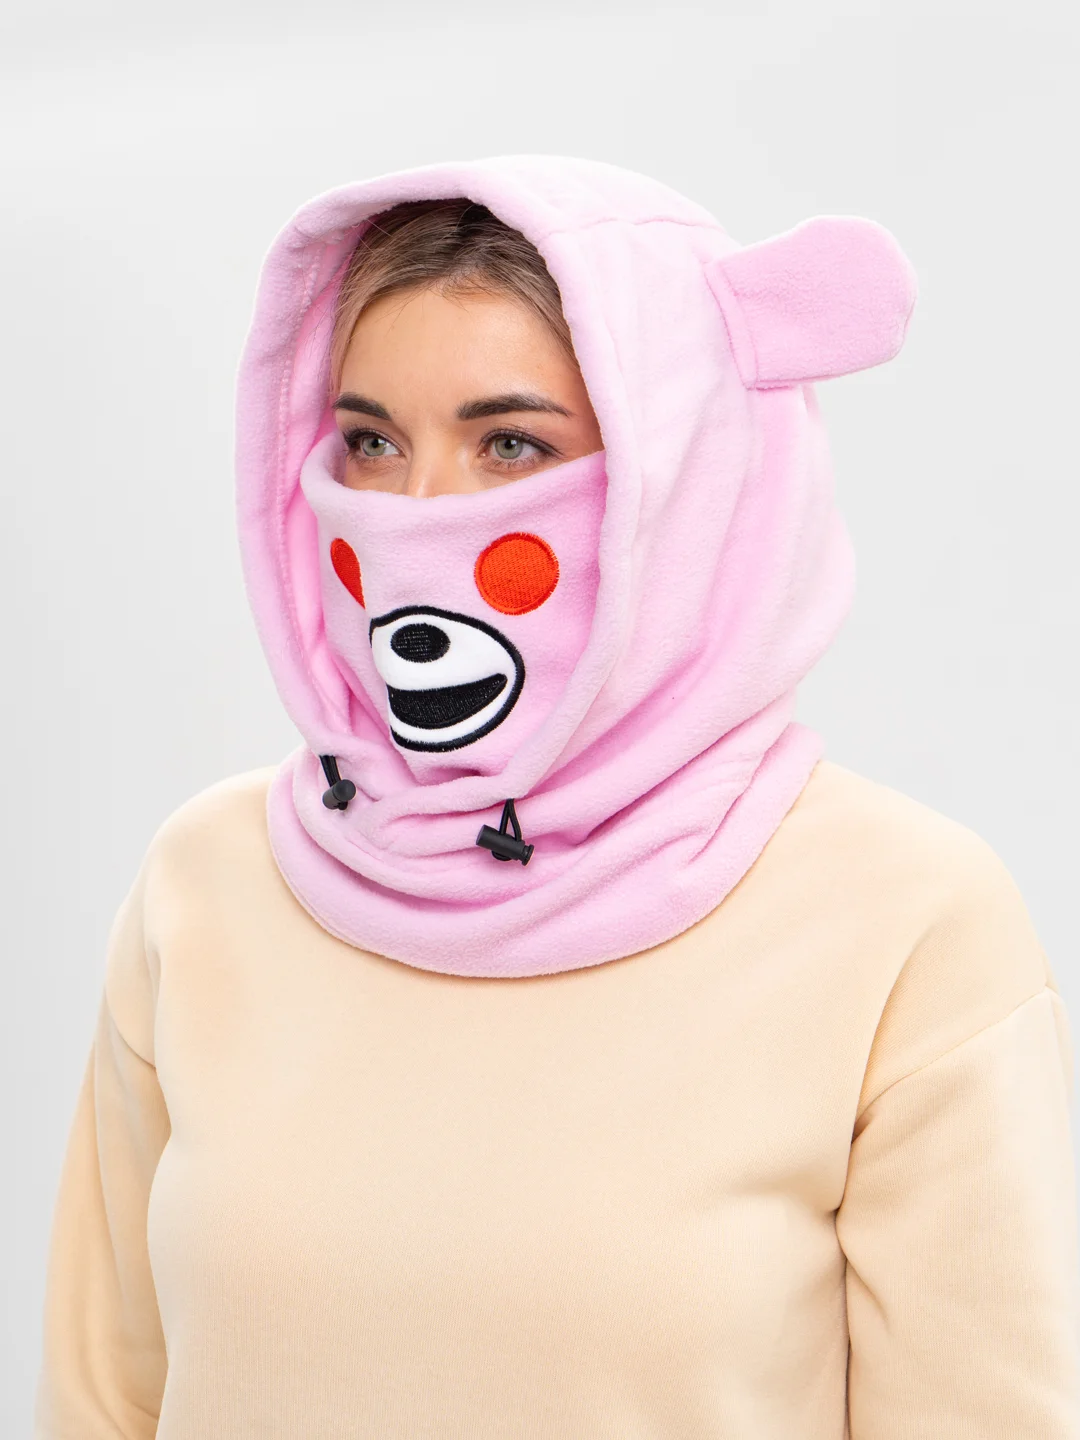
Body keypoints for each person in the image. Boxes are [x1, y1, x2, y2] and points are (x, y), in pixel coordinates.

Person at [34, 155, 1080, 1438]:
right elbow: (102, 1400)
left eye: (511, 445)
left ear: (686, 472)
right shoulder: (208, 883)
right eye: (371, 442)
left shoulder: (901, 921)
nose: (415, 520)